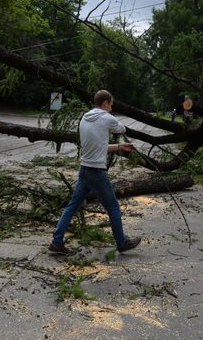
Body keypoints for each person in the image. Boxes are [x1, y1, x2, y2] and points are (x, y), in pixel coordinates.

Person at [48, 90, 141, 254]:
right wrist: (117, 128)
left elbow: (98, 146)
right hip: (97, 172)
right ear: (105, 103)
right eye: (111, 104)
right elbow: (122, 129)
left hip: (85, 170)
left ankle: (57, 242)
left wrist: (119, 147)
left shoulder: (84, 118)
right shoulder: (106, 117)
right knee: (112, 206)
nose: (111, 108)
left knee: (72, 206)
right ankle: (122, 242)